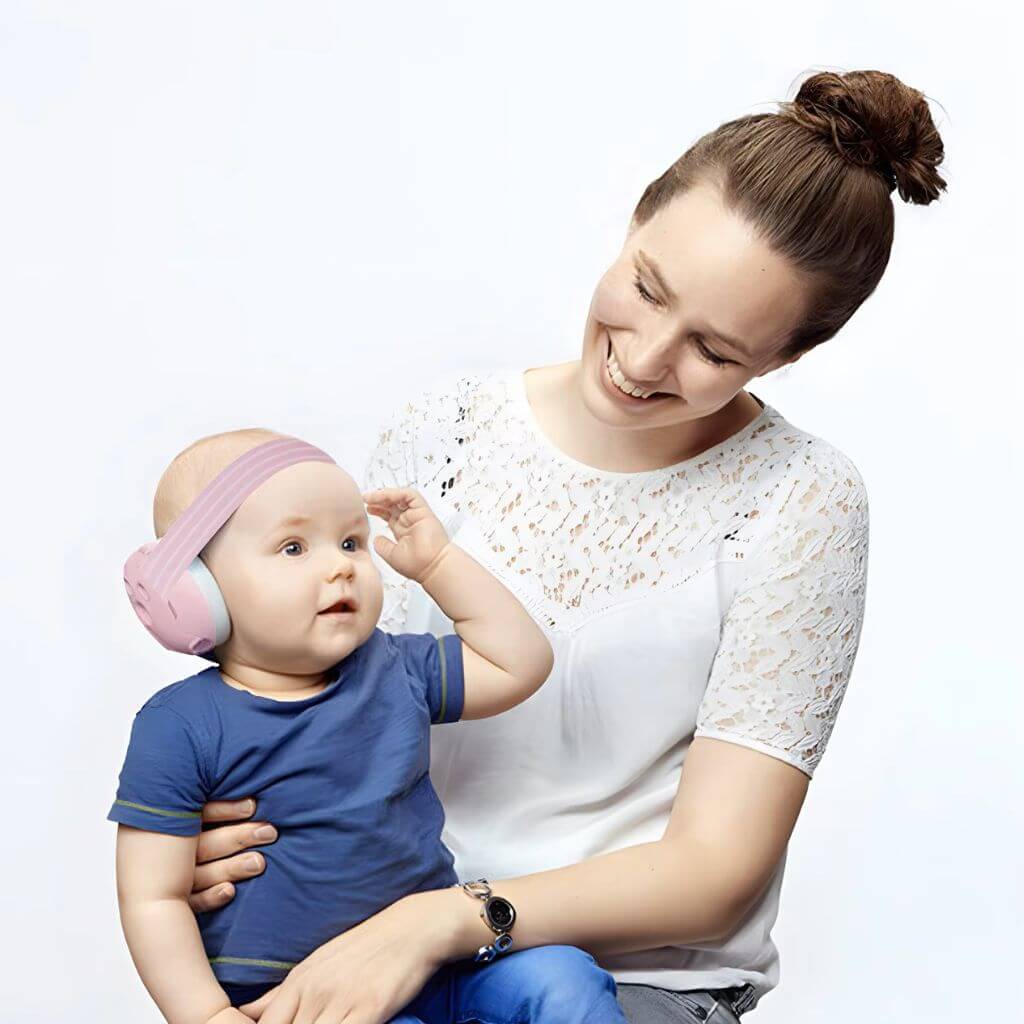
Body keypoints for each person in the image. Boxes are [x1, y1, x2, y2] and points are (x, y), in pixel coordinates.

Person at [178, 69, 947, 1024]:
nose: (645, 358)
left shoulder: (800, 501)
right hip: (375, 949)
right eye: (646, 287)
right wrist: (227, 828)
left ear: (787, 357)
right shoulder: (445, 430)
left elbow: (714, 872)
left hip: (628, 985)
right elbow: (327, 696)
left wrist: (437, 923)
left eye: (714, 350)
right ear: (634, 221)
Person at [108, 429, 629, 1024]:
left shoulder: (397, 669)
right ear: (196, 591)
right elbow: (154, 897)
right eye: (294, 548)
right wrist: (205, 1015)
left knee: (565, 979)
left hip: (440, 966)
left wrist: (437, 563)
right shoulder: (177, 726)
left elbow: (520, 663)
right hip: (298, 999)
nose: (341, 567)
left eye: (352, 541)